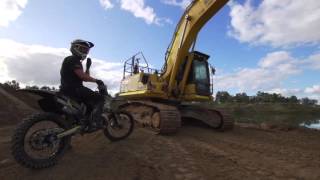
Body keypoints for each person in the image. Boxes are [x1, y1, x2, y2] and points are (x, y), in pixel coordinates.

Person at [60, 39, 105, 129]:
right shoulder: (73, 59)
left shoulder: (73, 60)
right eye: (82, 49)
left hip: (68, 89)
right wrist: (97, 81)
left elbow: (85, 77)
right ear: (75, 48)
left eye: (86, 50)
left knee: (89, 104)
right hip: (75, 89)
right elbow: (83, 77)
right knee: (100, 98)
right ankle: (95, 122)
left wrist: (88, 67)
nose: (85, 52)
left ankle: (84, 121)